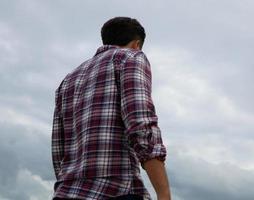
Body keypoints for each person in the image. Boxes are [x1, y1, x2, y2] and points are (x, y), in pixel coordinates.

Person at [51, 17, 171, 200]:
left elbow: (59, 148)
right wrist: (164, 195)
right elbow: (141, 124)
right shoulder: (131, 57)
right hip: (115, 191)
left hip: (66, 192)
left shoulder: (67, 81)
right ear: (137, 44)